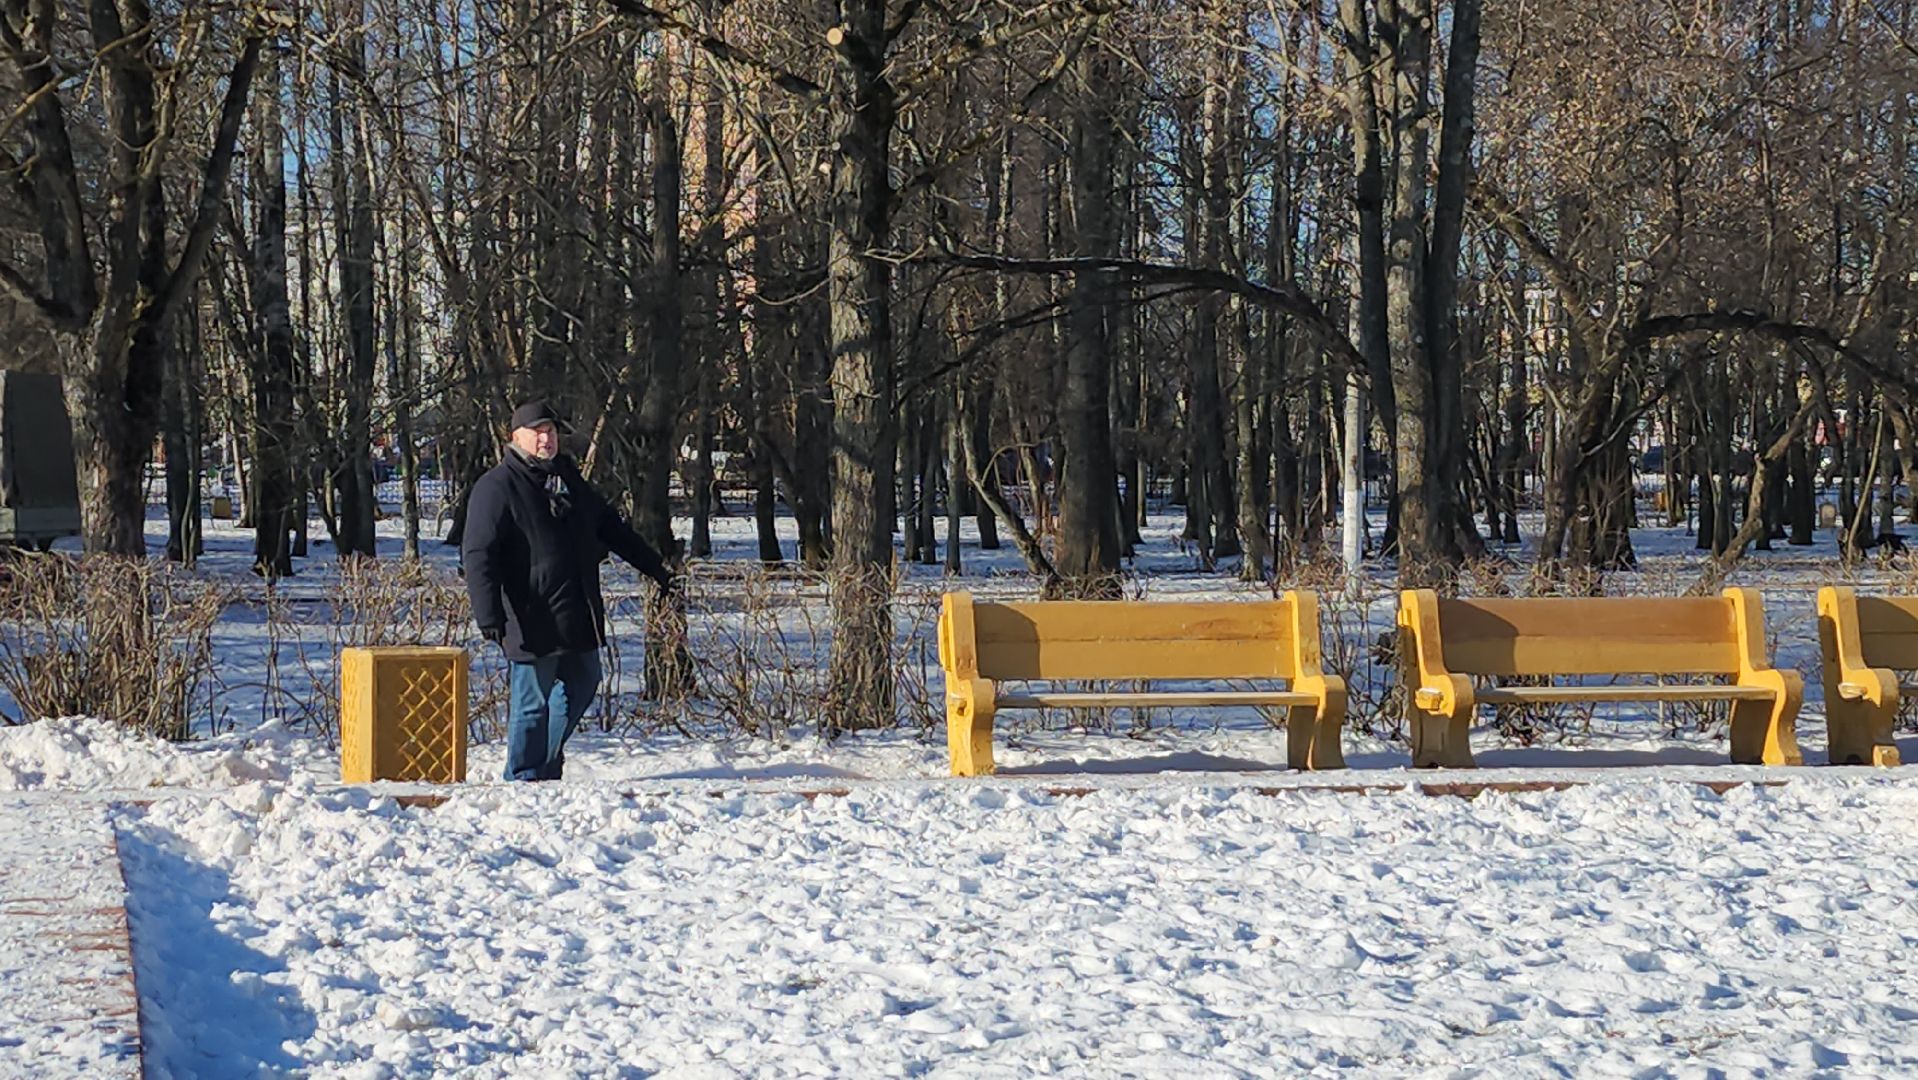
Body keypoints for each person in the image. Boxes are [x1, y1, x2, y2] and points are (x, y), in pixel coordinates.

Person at [463, 400, 676, 781]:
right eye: (538, 432)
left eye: (551, 431)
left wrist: (654, 566)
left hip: (577, 612)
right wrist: (488, 613)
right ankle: (524, 776)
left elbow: (610, 527)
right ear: (516, 437)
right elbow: (478, 553)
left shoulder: (568, 480)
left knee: (582, 685)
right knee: (532, 703)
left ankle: (545, 762)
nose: (546, 439)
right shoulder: (496, 487)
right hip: (529, 616)